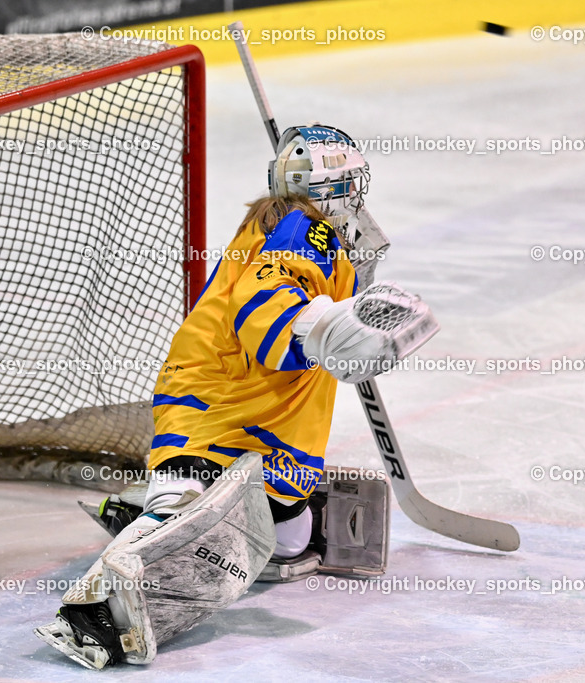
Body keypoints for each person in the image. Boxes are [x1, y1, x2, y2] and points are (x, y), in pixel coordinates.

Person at [34, 124, 438, 669]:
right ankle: (96, 608)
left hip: (276, 418)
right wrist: (322, 328)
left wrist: (357, 284)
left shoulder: (323, 235)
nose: (357, 196)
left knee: (290, 542)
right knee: (186, 514)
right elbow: (264, 305)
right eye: (349, 184)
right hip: (221, 403)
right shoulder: (301, 228)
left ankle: (204, 516)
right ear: (327, 189)